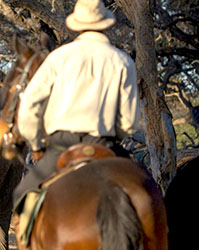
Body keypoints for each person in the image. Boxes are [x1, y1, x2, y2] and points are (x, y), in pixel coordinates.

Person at [13, 0, 141, 208]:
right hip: (104, 143)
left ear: (77, 25)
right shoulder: (123, 61)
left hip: (62, 144)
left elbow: (29, 103)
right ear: (105, 24)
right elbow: (129, 121)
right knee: (143, 188)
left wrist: (35, 144)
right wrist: (113, 133)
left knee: (22, 196)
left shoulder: (59, 58)